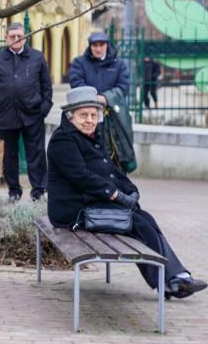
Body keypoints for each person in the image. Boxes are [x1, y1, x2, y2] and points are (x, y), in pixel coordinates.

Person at [47, 86, 206, 299]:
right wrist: (115, 195)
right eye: (83, 115)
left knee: (144, 218)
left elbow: (112, 170)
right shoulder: (63, 140)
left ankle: (174, 278)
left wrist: (131, 190)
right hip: (73, 211)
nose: (89, 120)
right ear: (70, 116)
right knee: (137, 223)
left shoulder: (91, 137)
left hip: (90, 203)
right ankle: (172, 280)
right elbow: (82, 177)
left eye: (93, 115)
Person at [0, 22, 53, 201]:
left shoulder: (37, 57)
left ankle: (38, 191)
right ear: (6, 38)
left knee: (36, 154)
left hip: (33, 114)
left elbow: (47, 86)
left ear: (25, 37)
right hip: (6, 116)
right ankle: (14, 191)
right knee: (9, 156)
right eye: (12, 36)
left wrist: (44, 109)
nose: (16, 39)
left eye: (20, 36)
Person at [69, 32, 135, 172]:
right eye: (95, 45)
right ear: (90, 46)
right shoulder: (79, 63)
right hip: (88, 114)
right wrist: (93, 98)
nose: (98, 49)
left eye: (101, 45)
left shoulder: (119, 64)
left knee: (116, 153)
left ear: (107, 45)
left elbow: (123, 86)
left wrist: (106, 98)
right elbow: (76, 82)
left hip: (112, 116)